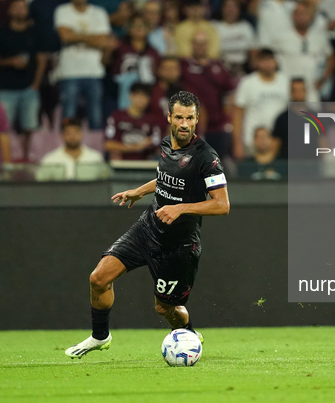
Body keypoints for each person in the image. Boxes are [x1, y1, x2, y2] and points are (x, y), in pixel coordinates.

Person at [65, 90, 230, 359]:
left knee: (164, 309)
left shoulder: (206, 157)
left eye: (190, 118)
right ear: (169, 117)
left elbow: (222, 205)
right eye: (179, 117)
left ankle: (188, 333)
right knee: (98, 278)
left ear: (197, 119)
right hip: (148, 228)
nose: (184, 124)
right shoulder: (166, 145)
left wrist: (180, 208)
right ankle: (100, 336)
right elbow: (165, 178)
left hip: (179, 244)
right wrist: (140, 191)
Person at [0, 0, 47, 161]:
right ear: (10, 11)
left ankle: (25, 156)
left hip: (29, 87)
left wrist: (36, 85)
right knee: (2, 127)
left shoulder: (35, 32)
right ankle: (6, 158)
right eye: (17, 7)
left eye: (23, 6)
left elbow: (42, 59)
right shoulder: (2, 33)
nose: (21, 10)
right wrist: (10, 62)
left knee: (29, 125)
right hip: (6, 87)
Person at [55, 0, 117, 130]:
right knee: (69, 115)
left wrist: (76, 34)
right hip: (69, 71)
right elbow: (65, 36)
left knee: (95, 116)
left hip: (94, 71)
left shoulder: (99, 13)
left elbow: (103, 41)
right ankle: (66, 146)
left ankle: (95, 148)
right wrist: (92, 38)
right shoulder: (62, 10)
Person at [262, 1, 334, 103]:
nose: (301, 17)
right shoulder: (280, 37)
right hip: (285, 86)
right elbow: (268, 56)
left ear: (311, 17)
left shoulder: (319, 37)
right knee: (285, 117)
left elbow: (330, 57)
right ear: (292, 16)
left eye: (304, 14)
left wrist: (324, 79)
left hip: (310, 87)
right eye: (298, 13)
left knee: (312, 117)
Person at [181, 31, 237, 160]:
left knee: (216, 162)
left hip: (217, 125)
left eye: (203, 44)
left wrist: (228, 116)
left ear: (207, 45)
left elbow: (229, 91)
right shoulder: (184, 65)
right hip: (193, 126)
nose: (200, 47)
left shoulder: (217, 66)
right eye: (197, 43)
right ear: (192, 45)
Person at [232, 48, 289, 160]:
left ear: (276, 62)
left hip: (277, 141)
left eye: (270, 60)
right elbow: (238, 114)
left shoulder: (285, 81)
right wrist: (237, 143)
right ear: (257, 63)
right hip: (251, 141)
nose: (267, 64)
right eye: (263, 60)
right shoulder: (247, 83)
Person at [112, 13, 161, 109]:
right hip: (121, 93)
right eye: (135, 25)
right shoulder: (120, 47)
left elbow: (156, 74)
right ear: (129, 28)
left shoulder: (153, 52)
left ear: (147, 29)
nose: (139, 28)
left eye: (142, 26)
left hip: (146, 94)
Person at [105, 82, 162, 160]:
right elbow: (108, 144)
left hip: (145, 165)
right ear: (131, 96)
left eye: (144, 96)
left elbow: (157, 142)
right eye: (138, 95)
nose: (141, 99)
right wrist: (133, 147)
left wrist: (148, 144)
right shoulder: (117, 116)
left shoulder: (152, 120)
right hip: (121, 164)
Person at [36, 117, 105, 181]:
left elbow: (104, 183)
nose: (72, 136)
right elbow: (41, 184)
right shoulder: (50, 160)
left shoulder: (95, 158)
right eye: (68, 133)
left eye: (76, 132)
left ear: (81, 133)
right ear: (62, 135)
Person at [212, 0, 257, 77]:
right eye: (227, 7)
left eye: (234, 7)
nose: (230, 10)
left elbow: (252, 49)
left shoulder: (245, 26)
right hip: (220, 66)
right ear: (222, 9)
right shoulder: (214, 26)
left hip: (242, 66)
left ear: (239, 10)